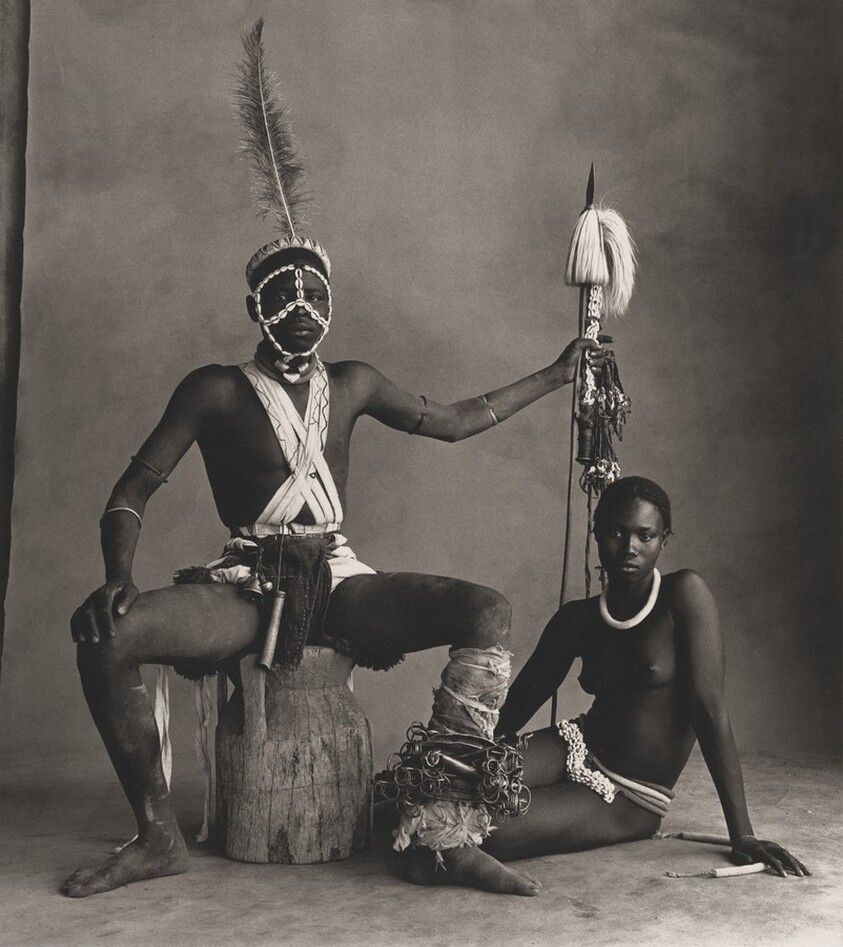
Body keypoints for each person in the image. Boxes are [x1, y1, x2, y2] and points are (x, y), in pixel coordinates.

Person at [62, 222, 605, 897]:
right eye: (283, 299)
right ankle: (156, 836)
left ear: (331, 303)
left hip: (339, 580)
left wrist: (556, 375)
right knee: (107, 636)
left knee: (486, 610)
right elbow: (130, 492)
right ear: (253, 309)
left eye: (314, 297)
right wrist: (119, 574)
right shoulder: (216, 389)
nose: (301, 312)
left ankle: (439, 827)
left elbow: (456, 420)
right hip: (250, 584)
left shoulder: (353, 383)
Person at [485, 476, 809, 878]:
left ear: (664, 539)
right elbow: (517, 705)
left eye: (645, 535)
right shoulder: (577, 619)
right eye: (617, 532)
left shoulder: (684, 596)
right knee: (452, 784)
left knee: (487, 829)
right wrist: (461, 756)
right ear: (598, 533)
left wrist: (742, 835)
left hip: (630, 793)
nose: (630, 548)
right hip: (575, 744)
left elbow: (709, 713)